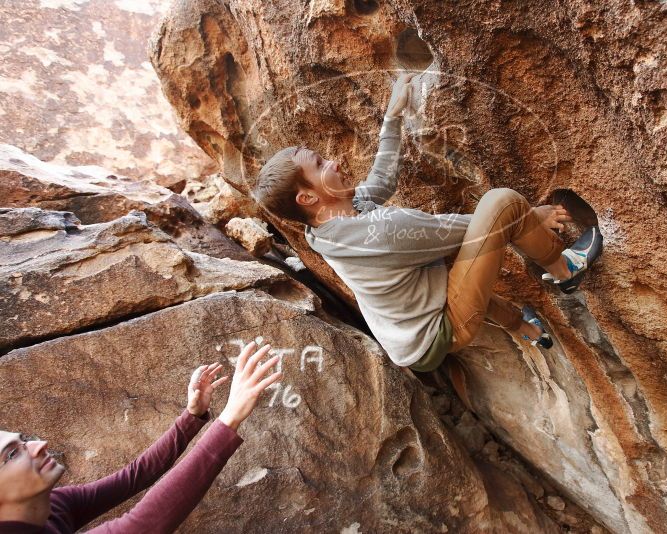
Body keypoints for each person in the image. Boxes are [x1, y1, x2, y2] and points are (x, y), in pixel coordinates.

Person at [253, 72, 602, 373]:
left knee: (447, 267)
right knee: (503, 202)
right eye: (319, 164)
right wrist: (529, 217)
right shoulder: (379, 234)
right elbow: (476, 228)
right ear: (308, 198)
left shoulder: (329, 224)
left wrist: (392, 117)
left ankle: (523, 327)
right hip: (437, 332)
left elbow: (381, 182)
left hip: (410, 333)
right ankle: (564, 268)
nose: (334, 162)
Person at [0, 340, 281, 533]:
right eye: (12, 454)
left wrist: (192, 416)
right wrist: (229, 418)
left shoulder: (53, 507)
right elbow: (143, 525)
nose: (38, 446)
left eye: (22, 441)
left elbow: (134, 476)